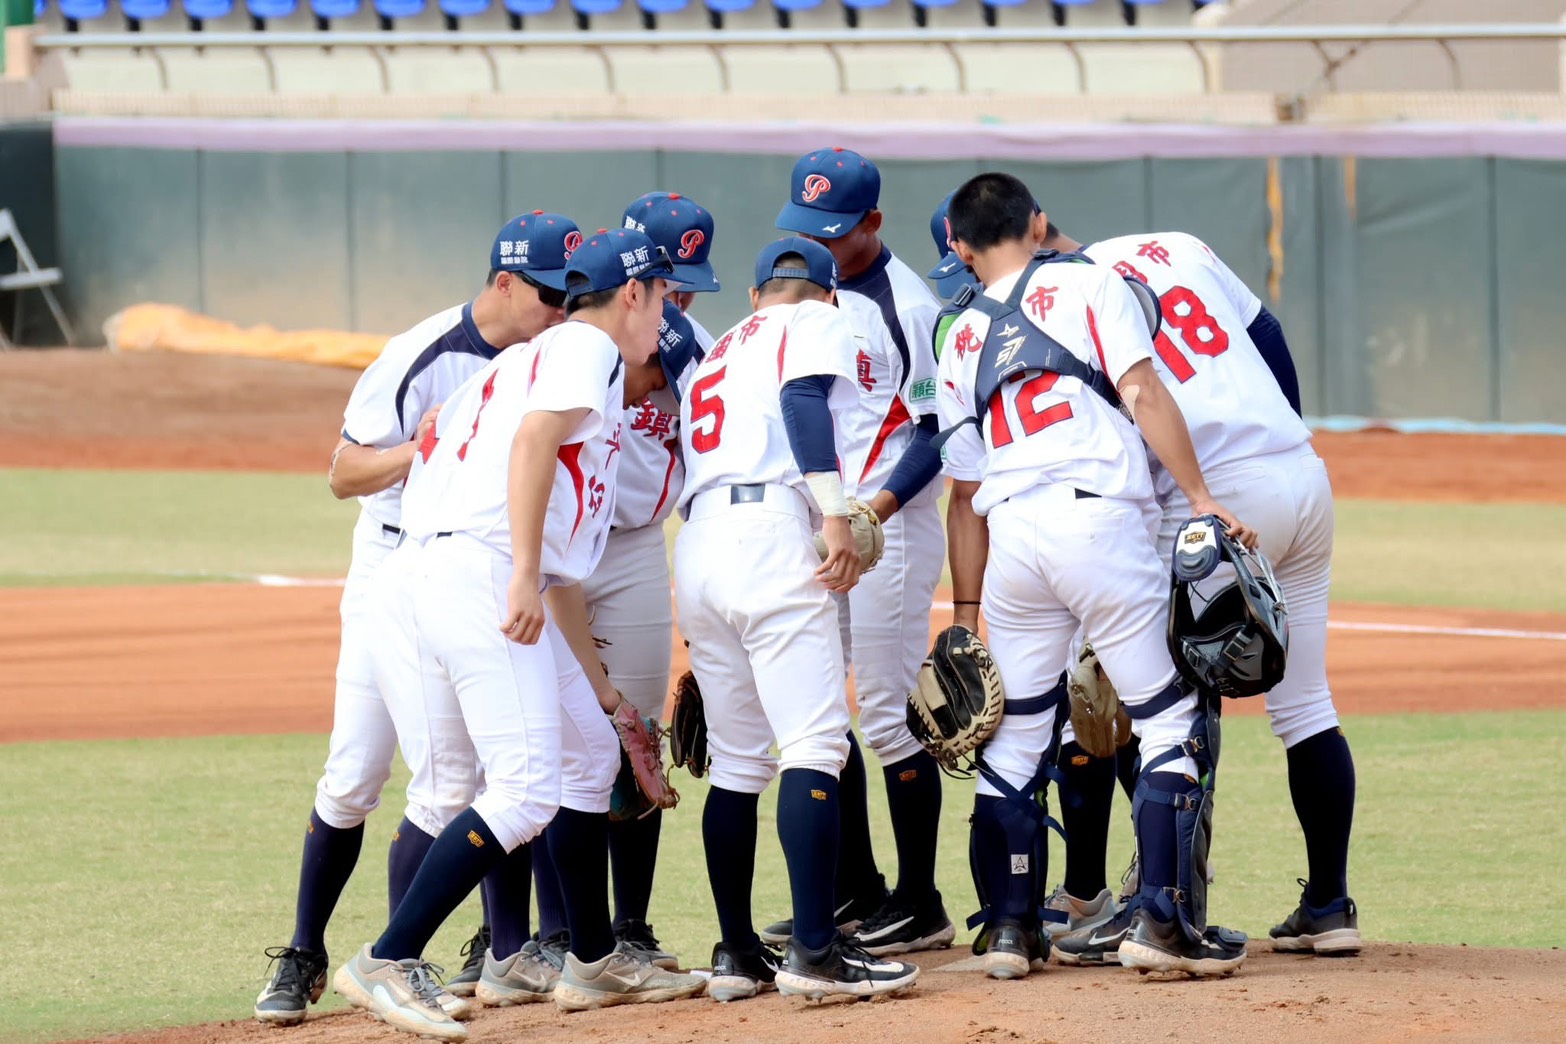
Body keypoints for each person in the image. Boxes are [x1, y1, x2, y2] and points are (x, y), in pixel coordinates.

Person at [331, 229, 703, 1041]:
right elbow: (534, 448)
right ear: (632, 295)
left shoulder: (516, 364)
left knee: (590, 753)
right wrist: (521, 571)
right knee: (526, 788)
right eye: (667, 297)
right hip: (481, 570)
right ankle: (388, 958)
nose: (668, 316)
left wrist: (609, 701)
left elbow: (562, 564)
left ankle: (595, 959)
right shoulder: (585, 348)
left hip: (454, 569)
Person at [253, 212, 579, 1026]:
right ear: (503, 282)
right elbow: (341, 472)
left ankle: (495, 950)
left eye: (573, 295)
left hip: (475, 569)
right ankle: (306, 951)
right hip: (391, 565)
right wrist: (419, 451)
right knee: (357, 770)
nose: (561, 309)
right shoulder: (424, 353)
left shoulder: (551, 355)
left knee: (492, 761)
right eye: (547, 293)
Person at [936, 172, 1256, 980]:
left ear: (961, 248)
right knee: (1169, 720)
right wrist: (1202, 499)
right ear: (1038, 223)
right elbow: (1142, 389)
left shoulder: (959, 336)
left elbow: (964, 491)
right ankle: (1163, 926)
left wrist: (966, 609)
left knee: (1012, 736)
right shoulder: (1089, 285)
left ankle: (1010, 931)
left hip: (1013, 537)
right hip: (1098, 522)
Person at [1043, 223, 1356, 963]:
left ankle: (1166, 907)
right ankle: (1329, 907)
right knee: (1307, 703)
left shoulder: (1061, 299)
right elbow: (1267, 331)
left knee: (1155, 702)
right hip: (1298, 474)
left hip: (1206, 499)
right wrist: (1285, 431)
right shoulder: (1175, 245)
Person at [674, 237, 922, 1001]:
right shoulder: (817, 319)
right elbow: (803, 401)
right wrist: (836, 516)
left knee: (741, 762)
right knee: (815, 743)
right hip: (771, 531)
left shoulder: (716, 355)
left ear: (754, 295)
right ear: (828, 295)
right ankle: (816, 950)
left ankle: (736, 953)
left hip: (700, 544)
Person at [767, 148, 952, 956]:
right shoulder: (808, 288)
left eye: (836, 233)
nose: (821, 245)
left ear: (873, 223)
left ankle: (920, 901)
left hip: (891, 526)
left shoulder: (907, 305)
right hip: (828, 523)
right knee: (817, 705)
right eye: (807, 230)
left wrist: (872, 510)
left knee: (884, 710)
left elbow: (937, 433)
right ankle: (854, 890)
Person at [531, 191, 723, 972]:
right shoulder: (577, 343)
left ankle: (631, 926)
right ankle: (558, 932)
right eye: (668, 279)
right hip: (560, 550)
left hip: (637, 546)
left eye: (689, 283)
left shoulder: (694, 346)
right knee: (554, 734)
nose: (679, 295)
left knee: (636, 730)